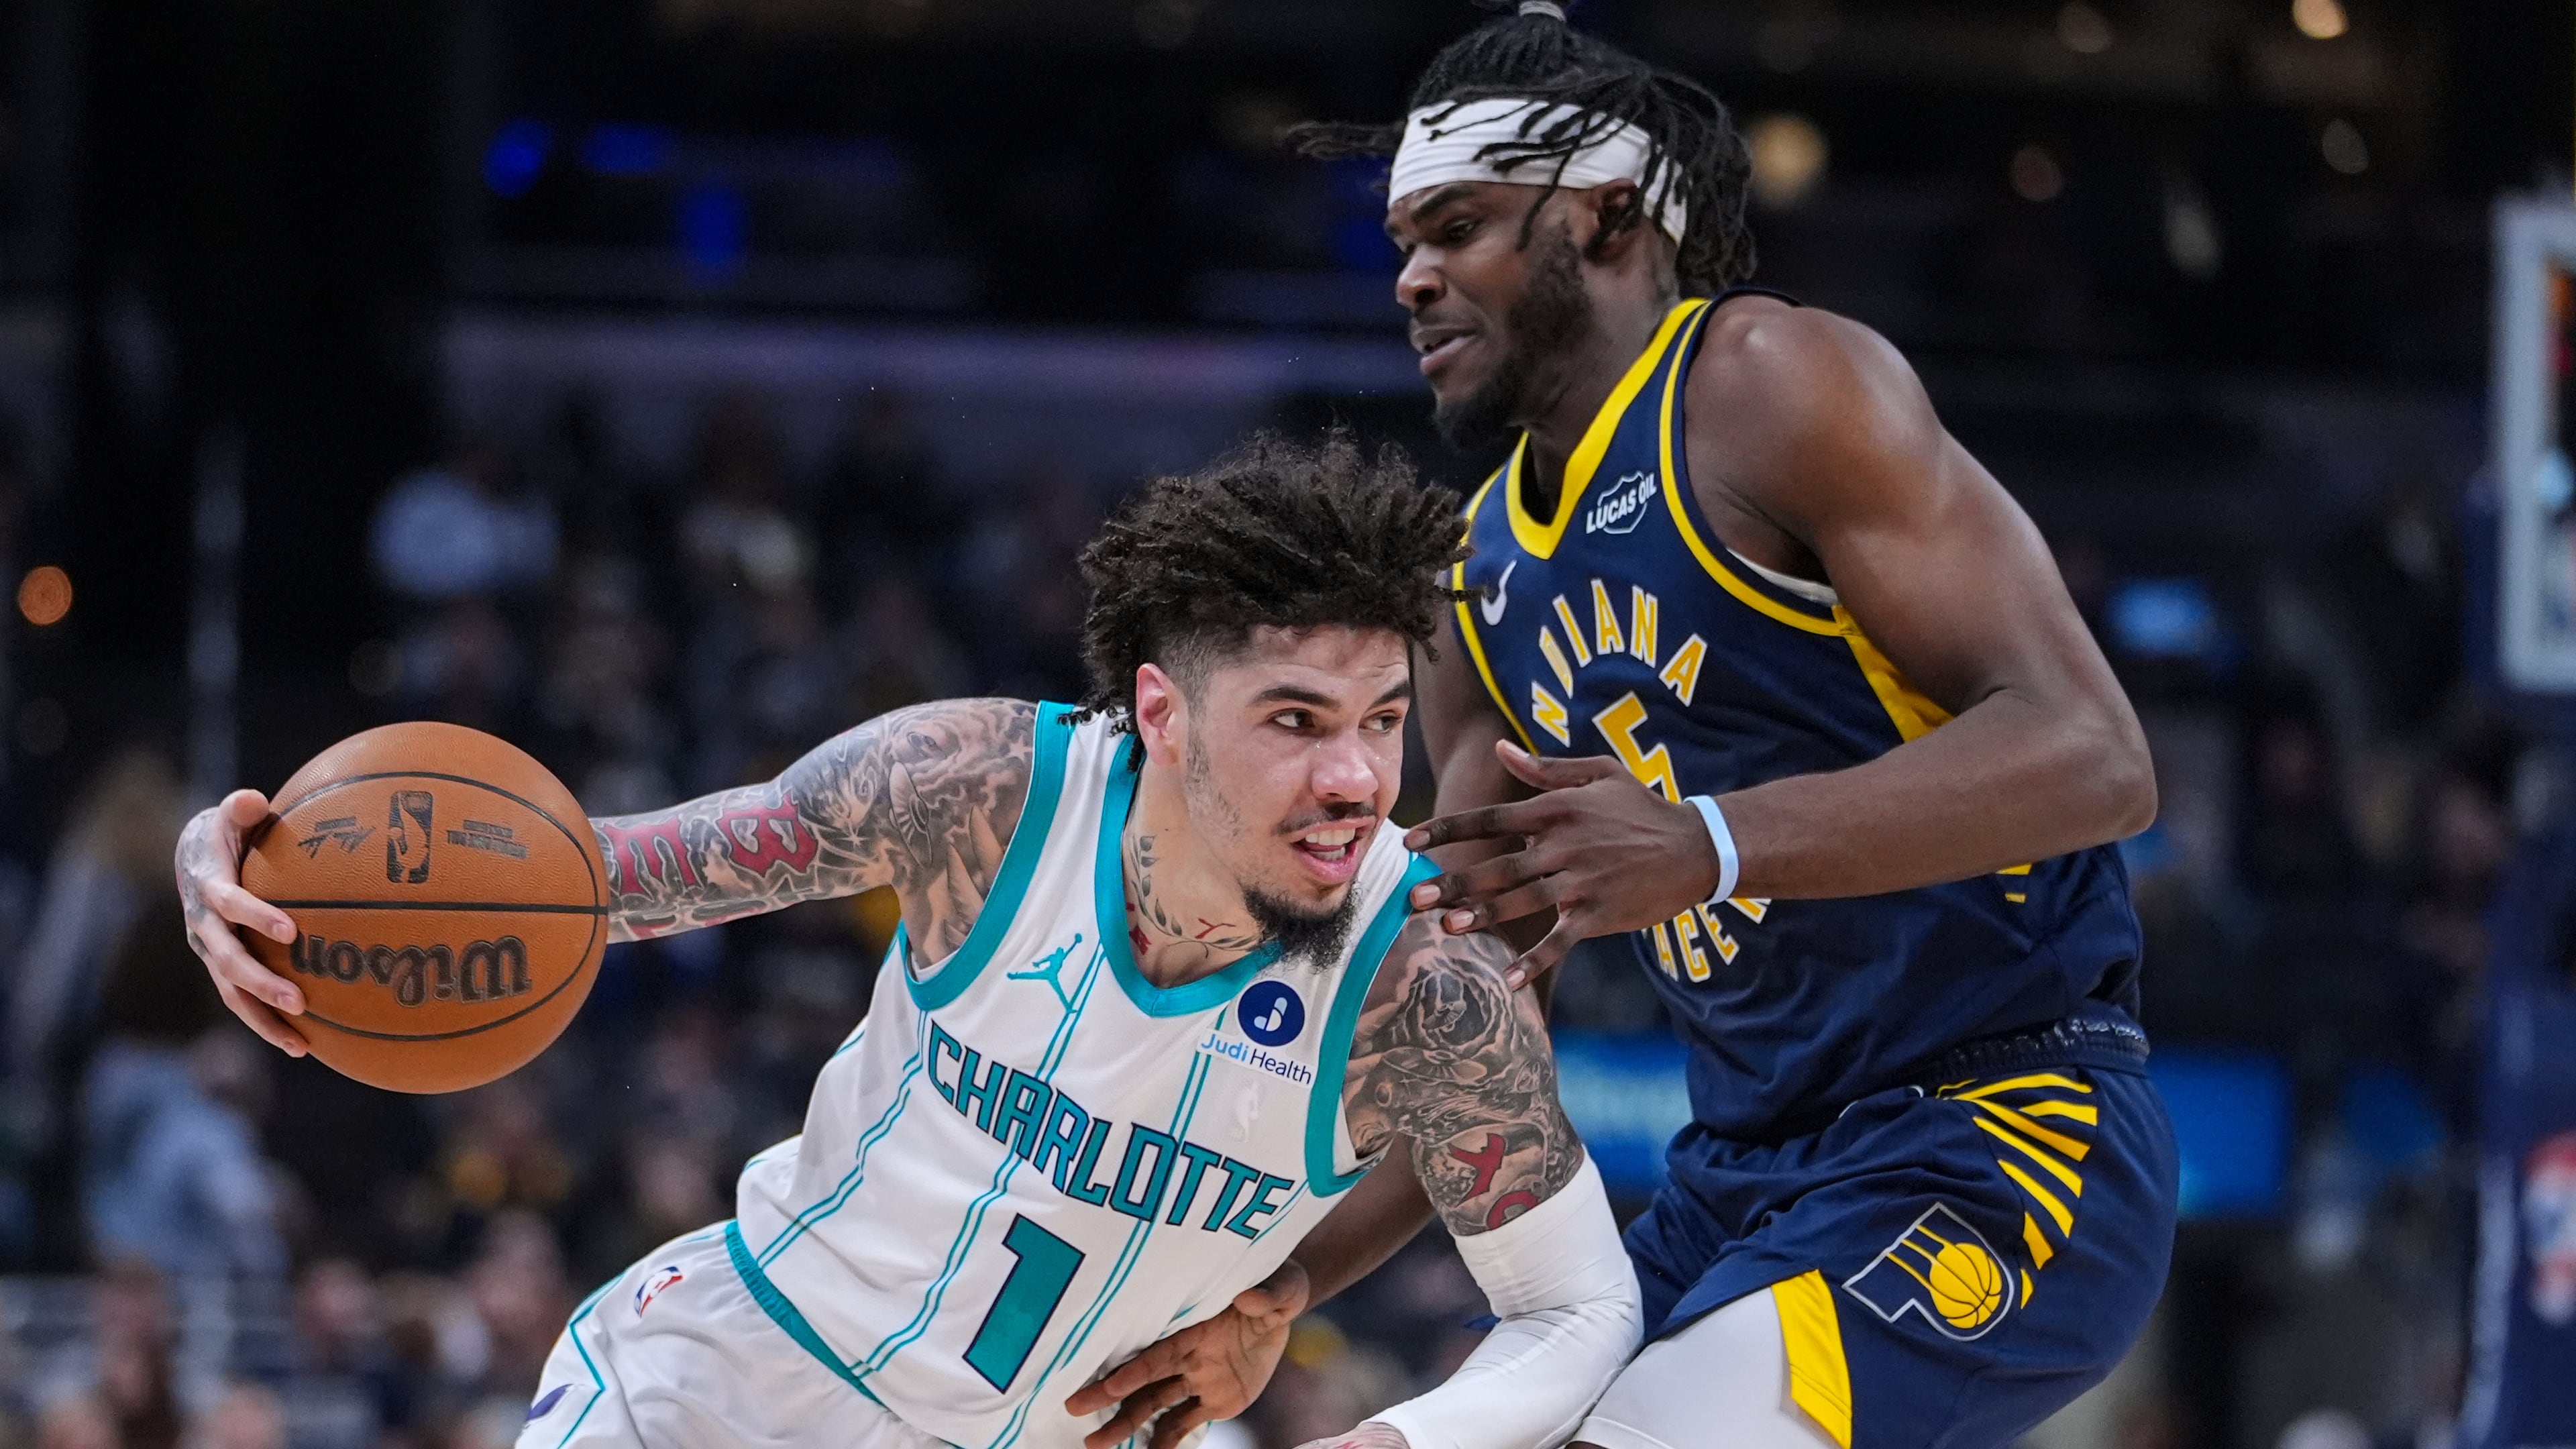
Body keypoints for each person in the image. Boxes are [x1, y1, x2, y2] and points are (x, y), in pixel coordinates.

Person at [1087, 8, 2178, 1449]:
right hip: (1736, 1176)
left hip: (2000, 1124)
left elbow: (2099, 759)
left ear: (1605, 217)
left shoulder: (1768, 384)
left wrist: (1706, 844)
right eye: (1405, 240)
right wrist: (1285, 1285)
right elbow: (1478, 1022)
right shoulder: (1472, 578)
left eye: (1459, 228)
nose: (1412, 277)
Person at [175, 431, 1644, 1449]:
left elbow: (1580, 1306)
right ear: (1162, 713)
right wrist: (248, 870)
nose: (1358, 779)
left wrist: (1389, 1437)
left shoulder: (1426, 986)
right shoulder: (978, 793)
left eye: (1382, 721)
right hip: (735, 1385)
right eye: (1296, 722)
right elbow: (582, 885)